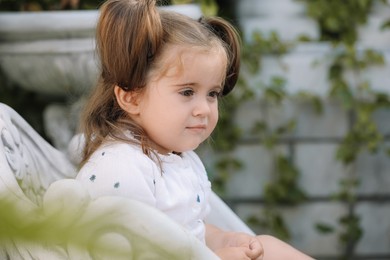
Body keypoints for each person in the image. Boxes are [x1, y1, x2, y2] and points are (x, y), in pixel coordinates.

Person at [76, 0, 314, 259]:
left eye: (212, 94)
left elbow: (191, 231)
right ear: (132, 98)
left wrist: (225, 238)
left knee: (267, 246)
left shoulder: (180, 159)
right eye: (187, 91)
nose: (205, 109)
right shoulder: (122, 169)